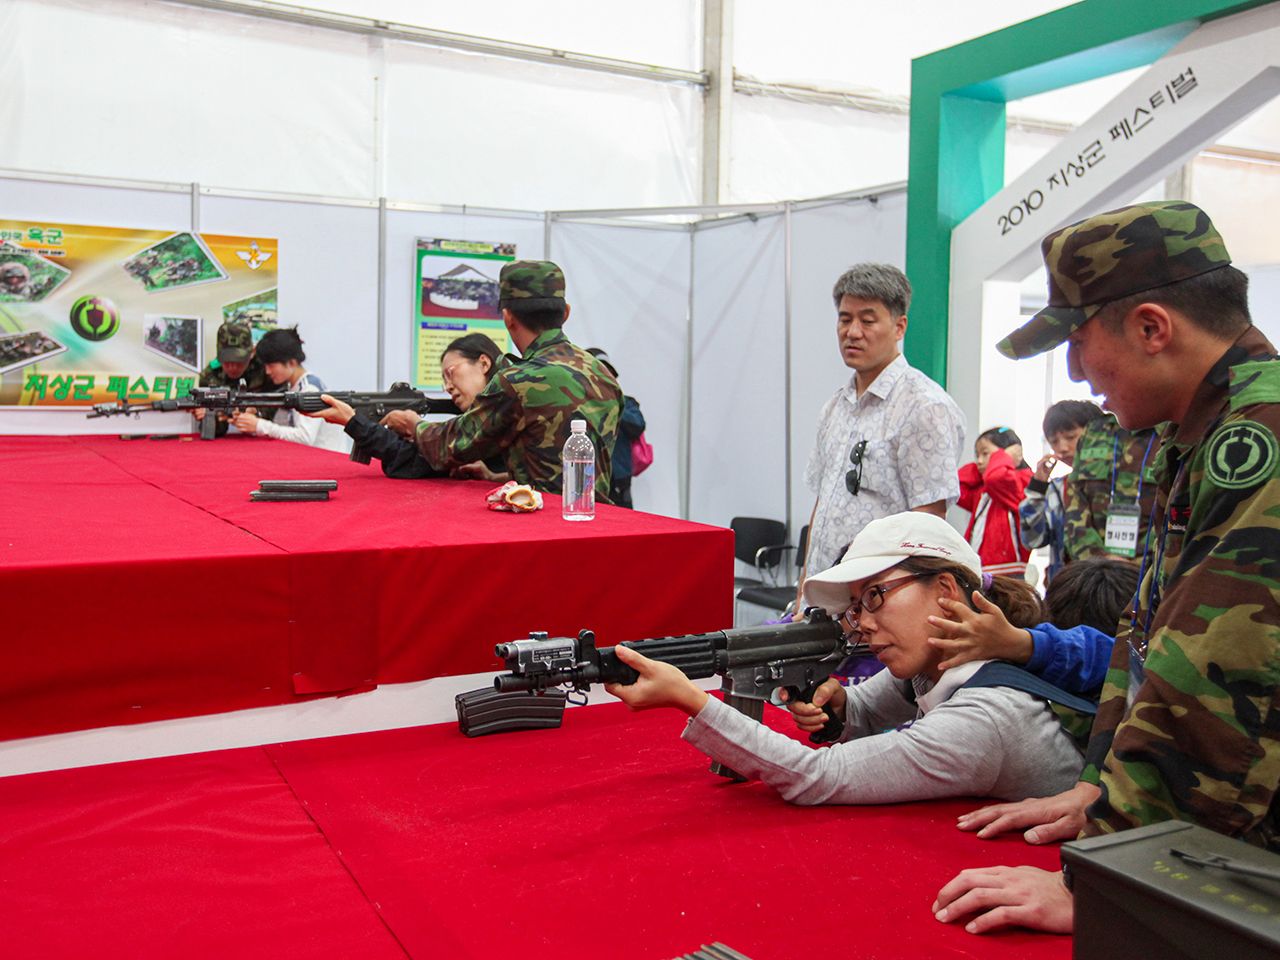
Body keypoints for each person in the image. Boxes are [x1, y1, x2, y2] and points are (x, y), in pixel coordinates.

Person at [933, 200, 1280, 936]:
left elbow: (1220, 673)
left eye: (1077, 340)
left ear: (1152, 328)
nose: (1074, 371)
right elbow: (1150, 633)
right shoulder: (1204, 431)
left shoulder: (1259, 440)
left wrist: (1114, 877)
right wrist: (1100, 790)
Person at [608, 512, 1094, 807]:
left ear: (946, 590)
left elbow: (819, 776)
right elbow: (865, 707)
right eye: (857, 607)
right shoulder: (936, 667)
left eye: (876, 596)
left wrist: (691, 699)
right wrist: (839, 705)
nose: (863, 623)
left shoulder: (986, 719)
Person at [322, 260, 621, 500]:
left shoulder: (518, 382)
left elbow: (454, 444)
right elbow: (564, 472)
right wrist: (496, 478)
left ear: (507, 317)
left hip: (547, 528)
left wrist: (414, 425)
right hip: (602, 524)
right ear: (565, 313)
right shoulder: (603, 374)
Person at [796, 263, 967, 609]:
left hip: (878, 607)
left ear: (899, 326)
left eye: (868, 320)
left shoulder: (924, 406)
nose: (853, 332)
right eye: (845, 319)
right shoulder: (836, 406)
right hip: (826, 598)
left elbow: (929, 525)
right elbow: (822, 504)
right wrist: (804, 589)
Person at [320, 333, 510, 480]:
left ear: (484, 363)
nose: (448, 387)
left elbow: (419, 460)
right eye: (444, 380)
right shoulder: (497, 405)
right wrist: (493, 477)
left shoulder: (503, 406)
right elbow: (411, 461)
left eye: (451, 373)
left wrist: (354, 421)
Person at [1019, 399, 1103, 582]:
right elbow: (1032, 540)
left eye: (1071, 437)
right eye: (1054, 441)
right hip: (1066, 587)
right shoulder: (1058, 488)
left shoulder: (1121, 482)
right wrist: (1038, 487)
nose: (1062, 448)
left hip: (1112, 586)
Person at [1061, 413, 1161, 564]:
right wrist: (1099, 560)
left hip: (1153, 567)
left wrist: (1138, 564)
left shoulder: (1172, 432)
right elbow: (1075, 501)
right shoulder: (1094, 431)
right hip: (1094, 567)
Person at [230, 327, 350, 454]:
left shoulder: (309, 389)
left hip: (328, 459)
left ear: (292, 363)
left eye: (271, 365)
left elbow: (304, 437)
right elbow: (283, 426)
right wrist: (252, 420)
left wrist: (259, 425)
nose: (267, 371)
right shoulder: (295, 386)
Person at [958, 427, 1033, 578]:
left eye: (985, 454)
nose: (979, 461)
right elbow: (956, 486)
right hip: (980, 570)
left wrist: (1004, 457)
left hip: (1008, 572)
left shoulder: (1022, 480)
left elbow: (996, 478)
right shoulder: (984, 489)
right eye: (977, 455)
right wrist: (993, 463)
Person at [586, 347, 646, 509]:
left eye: (606, 373)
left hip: (619, 481)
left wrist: (612, 402)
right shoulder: (577, 403)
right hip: (587, 480)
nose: (602, 378)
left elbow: (638, 426)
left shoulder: (626, 402)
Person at [195, 319, 277, 436]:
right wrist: (210, 415)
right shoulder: (210, 375)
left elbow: (276, 408)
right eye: (227, 361)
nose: (232, 367)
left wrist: (256, 412)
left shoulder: (267, 370)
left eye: (239, 361)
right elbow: (216, 431)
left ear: (252, 353)